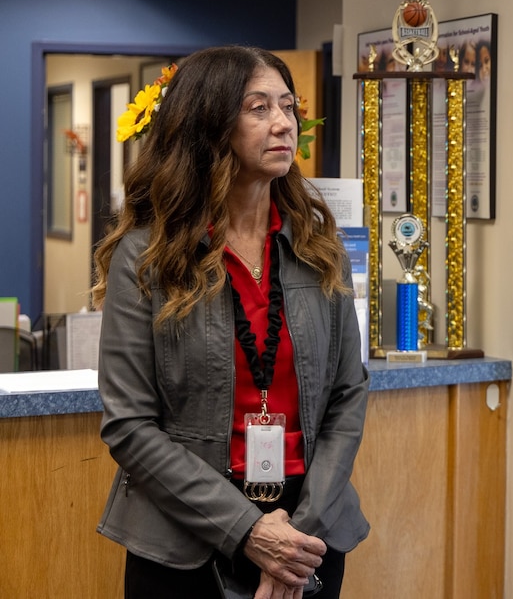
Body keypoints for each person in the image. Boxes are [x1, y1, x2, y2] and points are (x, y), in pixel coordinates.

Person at [93, 46, 370, 599]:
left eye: (288, 107)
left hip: (308, 531)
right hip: (187, 540)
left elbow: (348, 395)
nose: (284, 123)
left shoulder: (317, 245)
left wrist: (294, 537)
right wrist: (248, 531)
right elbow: (128, 424)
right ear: (209, 125)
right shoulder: (146, 256)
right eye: (259, 108)